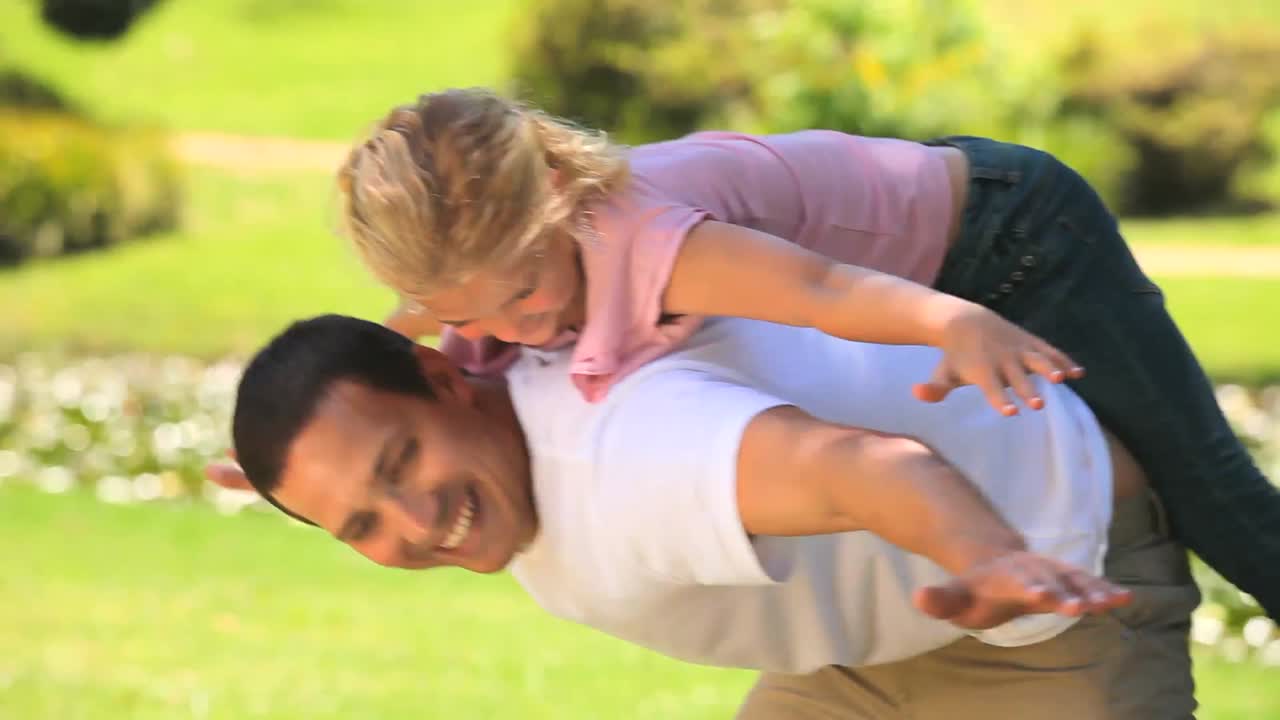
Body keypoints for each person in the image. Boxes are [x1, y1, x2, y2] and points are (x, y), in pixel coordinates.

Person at [334, 88, 1280, 615]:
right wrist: (303, 446)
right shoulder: (490, 277)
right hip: (925, 243)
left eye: (525, 293)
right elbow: (398, 340)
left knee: (1204, 487)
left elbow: (824, 293)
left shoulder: (653, 245)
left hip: (1012, 238)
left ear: (555, 189)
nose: (516, 331)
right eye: (478, 315)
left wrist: (950, 321)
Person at [212, 313, 1197, 719]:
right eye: (359, 526)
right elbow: (365, 427)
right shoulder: (483, 376)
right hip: (872, 627)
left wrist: (985, 556)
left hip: (1045, 578)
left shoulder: (631, 457)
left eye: (400, 463)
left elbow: (863, 468)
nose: (416, 521)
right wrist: (309, 475)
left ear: (443, 380)